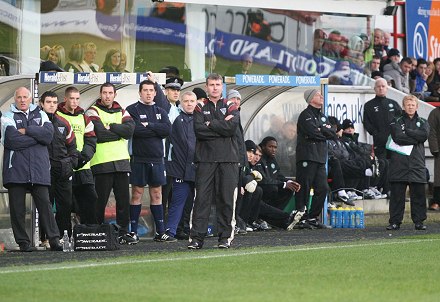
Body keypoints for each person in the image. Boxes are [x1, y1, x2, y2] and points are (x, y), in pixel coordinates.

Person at [1, 87, 62, 251]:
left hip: (39, 169)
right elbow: (11, 140)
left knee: (46, 207)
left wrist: (27, 130)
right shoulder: (7, 116)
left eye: (25, 97)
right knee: (17, 210)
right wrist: (37, 138)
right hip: (16, 170)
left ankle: (54, 240)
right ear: (15, 99)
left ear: (30, 99)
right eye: (19, 97)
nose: (22, 100)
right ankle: (24, 243)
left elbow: (48, 136)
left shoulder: (41, 114)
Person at [188, 73, 241, 249]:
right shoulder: (199, 106)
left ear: (222, 86)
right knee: (201, 199)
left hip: (228, 160)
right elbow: (199, 130)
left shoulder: (231, 105)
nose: (215, 88)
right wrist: (220, 126)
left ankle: (225, 238)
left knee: (226, 200)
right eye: (211, 85)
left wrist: (211, 124)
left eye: (218, 84)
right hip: (205, 160)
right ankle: (196, 239)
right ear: (207, 87)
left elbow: (231, 128)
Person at [85, 82, 137, 244]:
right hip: (102, 162)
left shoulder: (122, 110)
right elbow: (100, 134)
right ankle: (97, 231)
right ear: (100, 94)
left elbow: (129, 131)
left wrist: (111, 126)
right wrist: (118, 131)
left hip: (121, 162)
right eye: (104, 93)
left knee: (123, 201)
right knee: (100, 200)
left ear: (115, 94)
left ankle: (123, 232)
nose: (107, 96)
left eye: (110, 93)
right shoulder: (93, 110)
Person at [126, 80, 173, 242]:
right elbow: (136, 130)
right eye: (145, 90)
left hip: (157, 159)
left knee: (157, 193)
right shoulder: (132, 110)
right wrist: (155, 129)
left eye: (151, 90)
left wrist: (149, 125)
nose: (148, 93)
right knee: (137, 193)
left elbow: (167, 130)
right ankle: (133, 232)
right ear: (139, 92)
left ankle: (160, 232)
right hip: (139, 158)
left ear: (155, 93)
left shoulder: (160, 110)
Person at [386, 95, 429, 231]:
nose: (410, 107)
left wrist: (408, 132)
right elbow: (398, 137)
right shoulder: (396, 120)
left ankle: (419, 222)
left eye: (412, 105)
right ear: (403, 106)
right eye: (408, 105)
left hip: (417, 163)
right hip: (399, 163)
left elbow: (424, 136)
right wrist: (415, 137)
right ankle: (395, 222)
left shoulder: (423, 121)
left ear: (417, 106)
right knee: (397, 196)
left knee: (419, 195)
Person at [39, 91, 78, 239]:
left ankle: (64, 237)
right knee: (45, 206)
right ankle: (45, 238)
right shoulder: (37, 121)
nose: (52, 105)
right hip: (44, 170)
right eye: (48, 102)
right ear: (42, 104)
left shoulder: (63, 122)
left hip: (63, 169)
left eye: (54, 102)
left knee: (65, 205)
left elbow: (72, 146)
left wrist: (71, 163)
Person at [57, 87, 98, 224]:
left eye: (77, 99)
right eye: (72, 98)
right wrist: (71, 159)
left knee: (90, 200)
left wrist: (83, 158)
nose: (75, 102)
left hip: (83, 167)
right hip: (66, 167)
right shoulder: (58, 116)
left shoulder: (84, 117)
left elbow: (91, 140)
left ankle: (90, 232)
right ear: (65, 99)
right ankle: (64, 236)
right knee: (66, 205)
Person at [295, 89, 335, 229]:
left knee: (323, 188)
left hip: (320, 157)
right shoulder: (305, 115)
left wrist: (322, 130)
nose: (322, 96)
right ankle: (301, 217)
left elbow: (332, 132)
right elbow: (313, 132)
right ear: (311, 99)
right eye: (318, 95)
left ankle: (312, 217)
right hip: (307, 156)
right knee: (304, 187)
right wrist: (323, 131)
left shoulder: (323, 116)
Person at [165, 91, 197, 239]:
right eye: (186, 101)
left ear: (196, 103)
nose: (189, 104)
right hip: (180, 169)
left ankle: (194, 231)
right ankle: (170, 231)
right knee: (178, 202)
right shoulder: (176, 118)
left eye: (192, 101)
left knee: (196, 203)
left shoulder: (200, 119)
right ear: (181, 103)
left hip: (198, 169)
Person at [257, 136, 300, 210]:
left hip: (271, 186)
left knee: (289, 189)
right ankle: (265, 214)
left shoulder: (272, 158)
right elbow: (264, 180)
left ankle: (276, 213)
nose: (273, 150)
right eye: (270, 147)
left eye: (275, 147)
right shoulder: (258, 158)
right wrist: (284, 184)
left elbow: (278, 175)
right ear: (263, 147)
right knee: (272, 188)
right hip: (261, 188)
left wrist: (289, 182)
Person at [363, 78, 402, 160]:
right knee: (382, 164)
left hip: (394, 140)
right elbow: (366, 122)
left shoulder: (393, 104)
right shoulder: (369, 105)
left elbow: (401, 119)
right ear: (374, 89)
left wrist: (397, 132)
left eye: (383, 86)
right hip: (379, 141)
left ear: (387, 88)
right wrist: (375, 133)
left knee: (395, 164)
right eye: (378, 86)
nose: (381, 88)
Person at [428, 105, 440, 211]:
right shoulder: (435, 113)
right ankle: (437, 201)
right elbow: (431, 132)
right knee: (439, 178)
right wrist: (435, 149)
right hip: (439, 150)